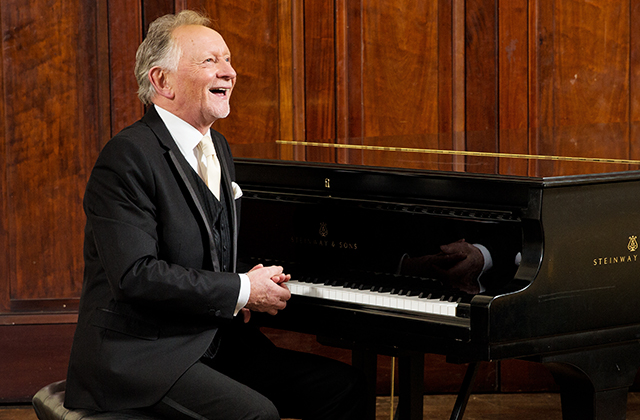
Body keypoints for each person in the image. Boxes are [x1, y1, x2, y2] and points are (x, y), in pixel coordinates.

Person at [65, 10, 365, 420]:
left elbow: (207, 248)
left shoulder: (218, 147)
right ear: (161, 81)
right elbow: (136, 275)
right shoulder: (126, 157)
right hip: (140, 356)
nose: (229, 72)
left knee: (345, 389)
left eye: (227, 59)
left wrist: (255, 280)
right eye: (210, 61)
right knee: (256, 415)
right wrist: (240, 288)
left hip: (210, 338)